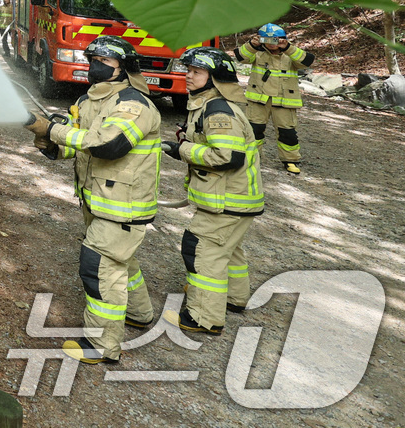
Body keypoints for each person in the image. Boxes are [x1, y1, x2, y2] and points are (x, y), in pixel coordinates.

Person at [24, 35, 161, 365]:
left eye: (103, 61)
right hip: (100, 200)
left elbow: (107, 146)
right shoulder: (91, 100)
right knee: (120, 263)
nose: (94, 66)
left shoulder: (133, 105)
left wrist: (53, 130)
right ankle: (140, 314)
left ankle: (101, 346)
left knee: (98, 268)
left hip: (123, 206)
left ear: (122, 69)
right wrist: (50, 143)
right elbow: (79, 143)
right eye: (92, 59)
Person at [161, 47, 263, 335]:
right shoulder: (209, 104)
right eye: (188, 70)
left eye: (196, 72)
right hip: (237, 201)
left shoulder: (218, 110)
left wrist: (182, 149)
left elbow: (228, 157)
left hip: (227, 202)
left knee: (201, 250)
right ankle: (233, 299)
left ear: (215, 78)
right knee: (228, 251)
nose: (188, 76)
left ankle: (204, 318)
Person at [234, 23, 314, 174]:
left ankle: (290, 160)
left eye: (275, 39)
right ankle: (251, 159)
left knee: (287, 133)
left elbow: (306, 61)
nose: (271, 43)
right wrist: (252, 44)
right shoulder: (257, 53)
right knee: (254, 131)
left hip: (284, 101)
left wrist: (288, 47)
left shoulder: (291, 54)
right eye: (267, 39)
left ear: (282, 39)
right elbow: (240, 57)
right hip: (258, 100)